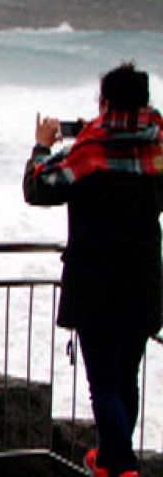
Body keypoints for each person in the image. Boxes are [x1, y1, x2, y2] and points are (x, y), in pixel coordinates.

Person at [24, 62, 163, 477]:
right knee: (126, 378)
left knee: (102, 383)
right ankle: (109, 460)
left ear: (104, 103)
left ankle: (122, 466)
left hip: (96, 285)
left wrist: (41, 147)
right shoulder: (157, 149)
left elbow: (38, 187)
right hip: (143, 283)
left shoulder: (90, 152)